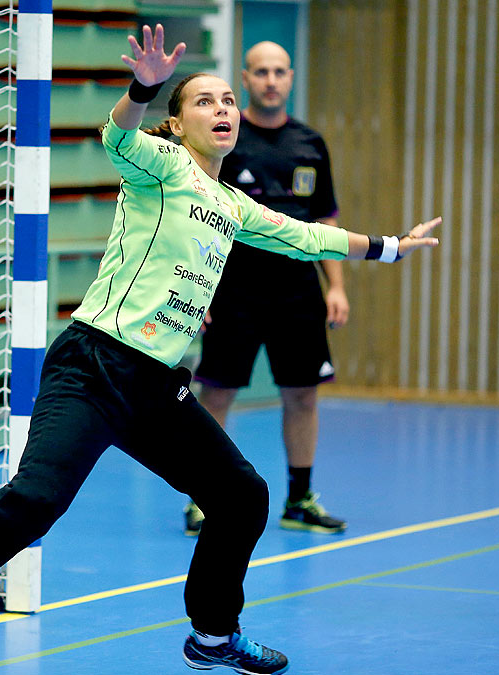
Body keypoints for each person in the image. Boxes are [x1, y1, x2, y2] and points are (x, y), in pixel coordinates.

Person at [0, 24, 440, 675]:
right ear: (176, 124)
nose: (222, 109)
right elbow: (116, 132)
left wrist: (393, 246)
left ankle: (214, 635)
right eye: (205, 101)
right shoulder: (157, 166)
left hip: (153, 386)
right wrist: (142, 85)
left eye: (228, 100)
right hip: (92, 365)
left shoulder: (232, 205)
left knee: (241, 496)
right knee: (39, 495)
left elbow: (308, 236)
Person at [185, 41, 349, 537]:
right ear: (247, 78)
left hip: (298, 292)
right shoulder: (225, 139)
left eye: (279, 71)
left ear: (291, 77)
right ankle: (202, 499)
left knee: (302, 394)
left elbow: (325, 219)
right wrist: (199, 288)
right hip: (232, 290)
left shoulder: (310, 143)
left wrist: (336, 286)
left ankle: (300, 500)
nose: (271, 80)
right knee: (216, 394)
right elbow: (197, 216)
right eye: (260, 72)